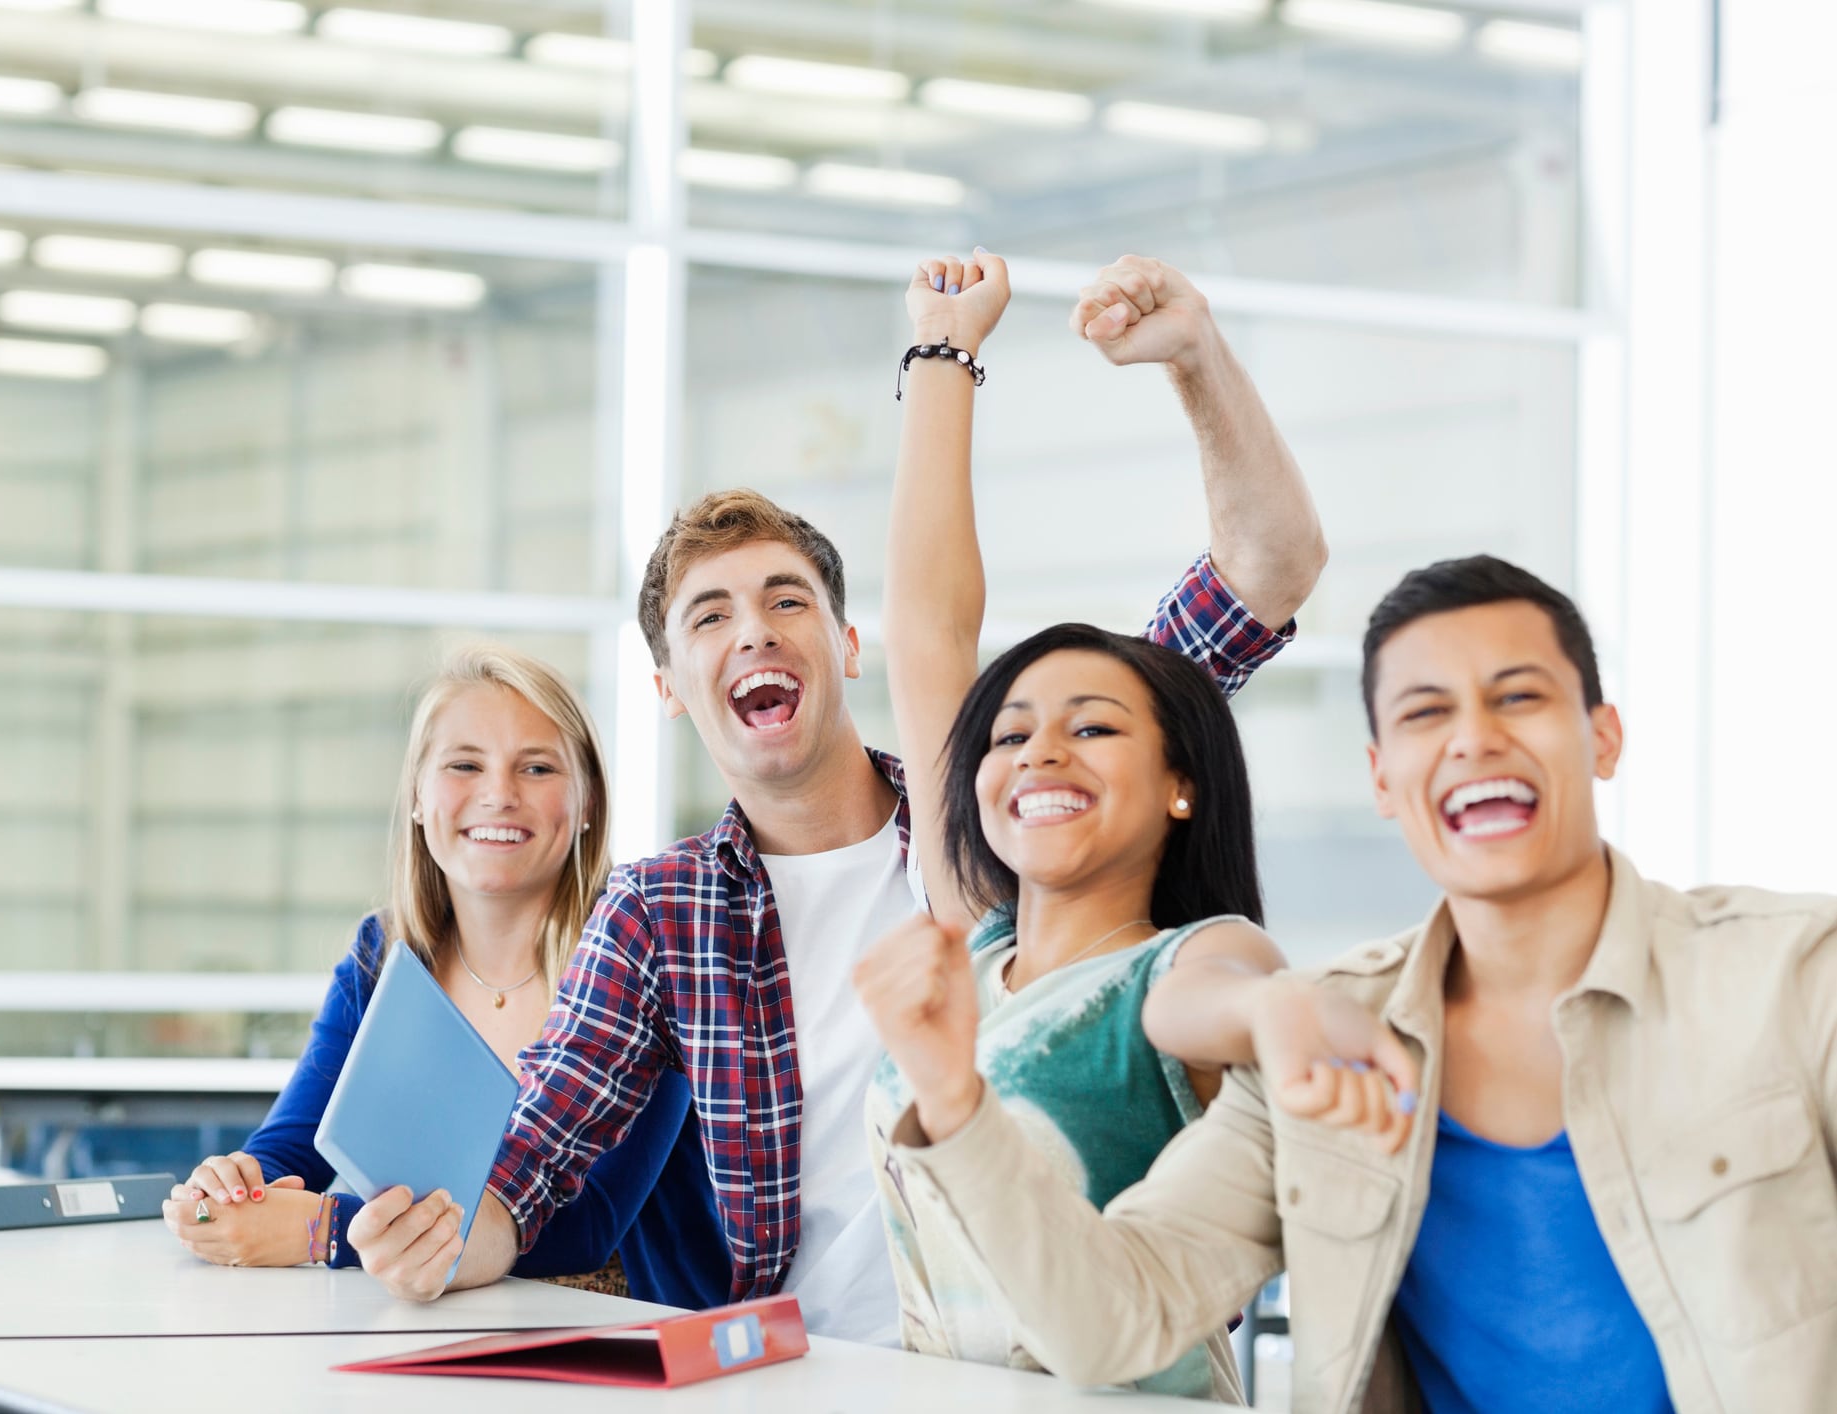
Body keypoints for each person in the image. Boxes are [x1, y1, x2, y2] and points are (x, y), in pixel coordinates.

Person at [341, 250, 1329, 1346]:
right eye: (710, 616)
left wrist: (1188, 358)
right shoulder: (661, 912)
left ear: (850, 646)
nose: (753, 631)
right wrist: (440, 1241)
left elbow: (1259, 571)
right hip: (804, 1375)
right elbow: (533, 1161)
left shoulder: (1010, 809)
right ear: (668, 688)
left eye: (786, 601)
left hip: (1050, 1362)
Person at [868, 555, 1837, 1414]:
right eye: (1425, 713)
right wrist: (952, 1100)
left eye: (1517, 698)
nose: (1472, 739)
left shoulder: (1795, 978)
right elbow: (1113, 1322)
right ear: (1380, 777)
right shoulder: (1326, 1036)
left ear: (1604, 738)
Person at [849, 249, 1334, 1396]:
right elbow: (925, 632)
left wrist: (1278, 1013)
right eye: (1009, 732)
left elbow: (1215, 1002)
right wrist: (943, 350)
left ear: (1179, 783)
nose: (1038, 751)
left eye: (1093, 727)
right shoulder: (979, 941)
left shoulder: (1184, 962)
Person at [157, 647, 728, 1309]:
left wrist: (325, 1231)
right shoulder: (382, 954)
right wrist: (234, 1187)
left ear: (588, 802)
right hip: (439, 1324)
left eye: (536, 768)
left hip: (631, 1335)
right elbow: (294, 1147)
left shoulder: (643, 952)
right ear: (418, 797)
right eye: (464, 765)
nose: (499, 795)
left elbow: (586, 1227)